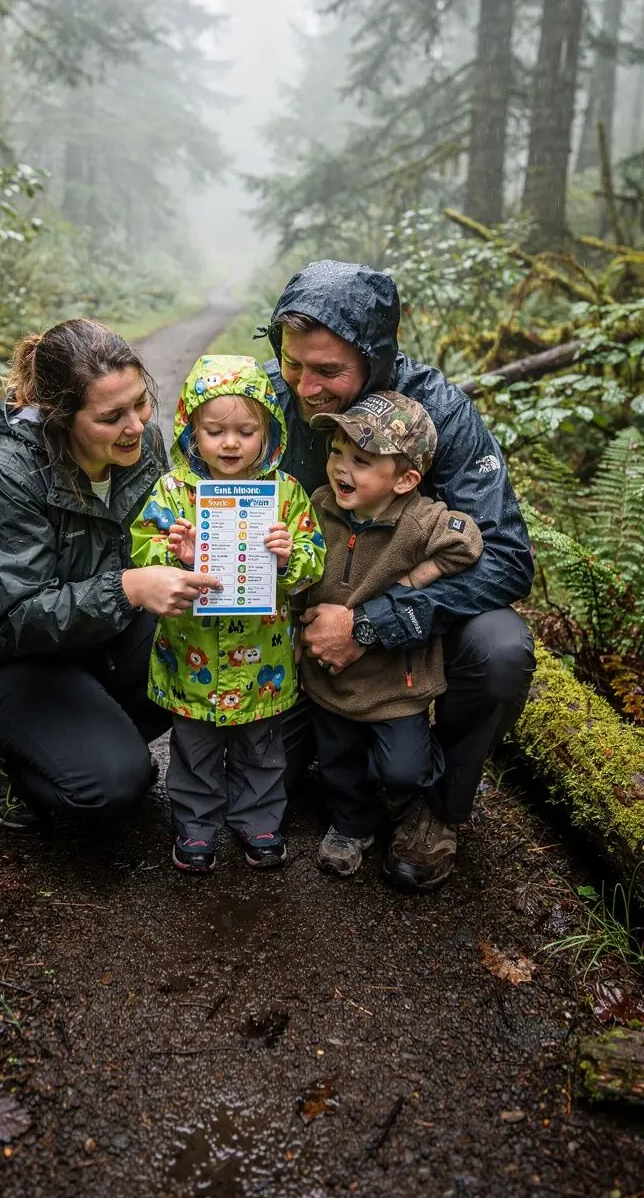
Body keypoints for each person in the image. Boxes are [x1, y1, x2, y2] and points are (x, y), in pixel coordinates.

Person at [262, 260, 536, 891]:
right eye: (292, 364)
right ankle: (339, 760)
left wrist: (374, 622)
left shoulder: (437, 411)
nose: (305, 387)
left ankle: (436, 810)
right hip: (297, 626)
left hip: (405, 626)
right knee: (258, 784)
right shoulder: (271, 405)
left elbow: (506, 557)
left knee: (500, 651)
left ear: (376, 359)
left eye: (328, 370)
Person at [0, 318, 216, 830]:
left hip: (94, 635)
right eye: (111, 416)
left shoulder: (143, 445)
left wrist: (181, 548)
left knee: (211, 653)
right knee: (112, 785)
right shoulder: (4, 473)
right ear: (60, 417)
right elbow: (20, 616)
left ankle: (79, 731)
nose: (136, 425)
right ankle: (20, 758)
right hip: (1, 656)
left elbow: (156, 529)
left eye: (140, 403)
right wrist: (129, 587)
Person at [129, 354, 326, 873]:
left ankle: (258, 820)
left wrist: (288, 556)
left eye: (246, 430)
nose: (231, 443)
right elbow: (142, 555)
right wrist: (176, 556)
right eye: (215, 430)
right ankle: (196, 827)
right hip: (191, 655)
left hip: (263, 659)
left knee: (262, 748)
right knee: (193, 749)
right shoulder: (173, 492)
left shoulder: (285, 495)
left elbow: (312, 566)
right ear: (192, 429)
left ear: (269, 430)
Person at [300, 391, 483, 880]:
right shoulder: (319, 506)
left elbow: (466, 544)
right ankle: (351, 825)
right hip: (331, 682)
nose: (341, 467)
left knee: (401, 767)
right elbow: (297, 568)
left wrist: (412, 580)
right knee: (337, 761)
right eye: (337, 450)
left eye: (361, 460)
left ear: (405, 479)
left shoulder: (421, 519)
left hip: (395, 687)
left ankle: (413, 791)